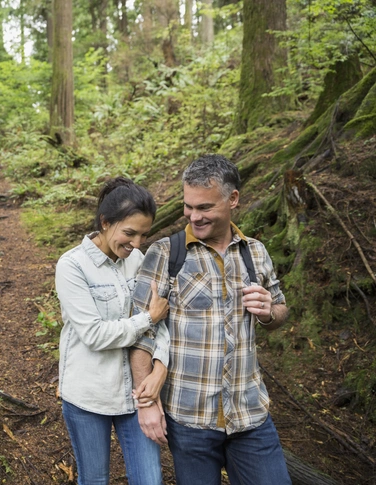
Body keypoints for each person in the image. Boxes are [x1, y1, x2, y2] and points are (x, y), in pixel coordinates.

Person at [131, 154, 292, 485]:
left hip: (250, 416)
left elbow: (280, 310)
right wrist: (146, 404)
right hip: (189, 420)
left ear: (233, 199)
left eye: (204, 207)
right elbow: (141, 334)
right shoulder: (165, 254)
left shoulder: (256, 252)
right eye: (188, 206)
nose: (193, 216)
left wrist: (268, 312)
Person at [56, 177, 170, 485]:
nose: (136, 243)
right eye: (129, 233)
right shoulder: (72, 266)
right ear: (106, 223)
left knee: (150, 480)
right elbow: (94, 335)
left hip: (135, 395)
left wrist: (160, 367)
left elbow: (163, 324)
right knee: (94, 480)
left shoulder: (137, 259)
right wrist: (147, 318)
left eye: (143, 235)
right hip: (88, 395)